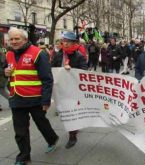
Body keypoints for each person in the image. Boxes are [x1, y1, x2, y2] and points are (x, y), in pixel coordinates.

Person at [4, 27, 59, 165]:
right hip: (16, 98)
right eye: (11, 39)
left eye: (17, 39)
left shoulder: (38, 53)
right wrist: (5, 72)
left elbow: (47, 79)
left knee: (42, 123)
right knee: (20, 131)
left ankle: (52, 139)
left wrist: (46, 100)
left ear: (25, 39)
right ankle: (24, 156)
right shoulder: (8, 54)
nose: (14, 41)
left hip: (35, 98)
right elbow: (6, 71)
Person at [51, 31, 87, 149]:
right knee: (65, 111)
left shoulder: (79, 56)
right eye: (64, 41)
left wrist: (71, 70)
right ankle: (75, 127)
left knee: (71, 111)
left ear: (73, 43)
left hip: (73, 89)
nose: (65, 43)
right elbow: (52, 68)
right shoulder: (58, 55)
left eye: (68, 41)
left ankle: (72, 136)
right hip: (61, 88)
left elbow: (83, 72)